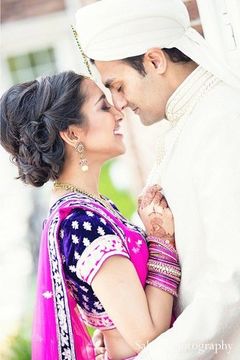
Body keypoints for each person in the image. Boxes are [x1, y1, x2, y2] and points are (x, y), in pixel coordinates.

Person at [75, 0, 240, 359]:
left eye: (118, 85)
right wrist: (119, 329)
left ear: (154, 60)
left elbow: (233, 278)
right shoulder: (189, 124)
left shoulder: (223, 122)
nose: (118, 104)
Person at [0, 71, 181, 360]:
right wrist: (162, 242)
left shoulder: (89, 208)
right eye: (102, 106)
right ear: (72, 133)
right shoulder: (82, 224)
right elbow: (147, 337)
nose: (118, 111)